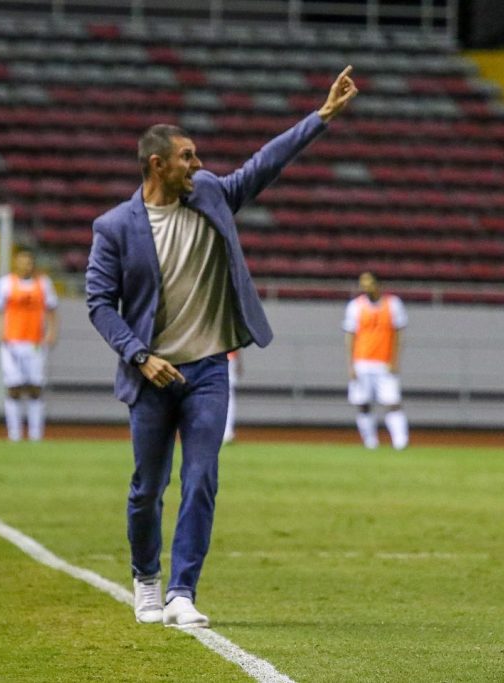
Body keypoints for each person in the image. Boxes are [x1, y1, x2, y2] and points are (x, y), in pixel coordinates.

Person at [86, 66, 357, 629]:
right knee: (146, 488)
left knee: (202, 476)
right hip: (151, 375)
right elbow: (99, 305)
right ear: (156, 164)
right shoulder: (113, 227)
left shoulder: (210, 193)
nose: (198, 164)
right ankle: (147, 581)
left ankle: (183, 590)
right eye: (187, 156)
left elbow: (263, 165)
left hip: (209, 367)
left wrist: (322, 116)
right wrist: (140, 354)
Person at [0, 247, 60, 442]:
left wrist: (51, 333)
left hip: (35, 342)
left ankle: (36, 434)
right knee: (14, 387)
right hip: (11, 342)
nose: (26, 265)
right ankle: (14, 434)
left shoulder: (44, 284)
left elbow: (52, 310)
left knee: (35, 387)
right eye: (22, 261)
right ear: (16, 263)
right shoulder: (5, 283)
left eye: (29, 262)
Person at [343, 272, 410, 450]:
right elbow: (350, 336)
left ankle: (400, 442)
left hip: (384, 362)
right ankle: (370, 442)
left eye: (369, 282)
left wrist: (395, 360)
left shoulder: (393, 304)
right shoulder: (355, 306)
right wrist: (351, 364)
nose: (365, 286)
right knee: (363, 403)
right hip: (362, 361)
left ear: (379, 284)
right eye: (362, 283)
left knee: (392, 402)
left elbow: (398, 334)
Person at [223, 350, 241, 444]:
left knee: (228, 395)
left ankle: (227, 432)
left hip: (216, 356)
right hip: (227, 357)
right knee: (228, 395)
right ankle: (227, 432)